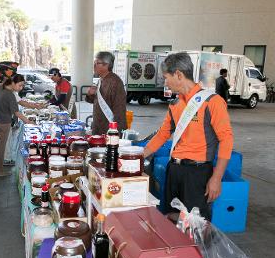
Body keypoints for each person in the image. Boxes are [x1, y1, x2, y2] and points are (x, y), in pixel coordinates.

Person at [142, 52, 234, 221]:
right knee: (170, 219)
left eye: (166, 77)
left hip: (197, 174)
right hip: (174, 170)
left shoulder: (212, 102)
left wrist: (216, 178)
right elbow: (163, 134)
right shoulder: (175, 104)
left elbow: (226, 140)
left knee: (195, 225)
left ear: (178, 74)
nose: (165, 82)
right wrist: (138, 157)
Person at [0, 74, 34, 176]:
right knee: (1, 147)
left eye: (23, 86)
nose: (21, 88)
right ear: (13, 83)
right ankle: (0, 171)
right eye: (20, 85)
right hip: (4, 123)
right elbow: (17, 113)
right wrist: (28, 121)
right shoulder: (10, 95)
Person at [85, 51, 127, 135]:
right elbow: (96, 101)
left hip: (109, 129)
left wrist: (115, 133)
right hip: (98, 126)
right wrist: (90, 95)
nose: (94, 66)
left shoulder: (115, 82)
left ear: (106, 65)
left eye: (97, 63)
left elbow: (119, 111)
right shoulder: (101, 80)